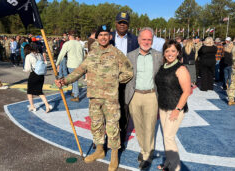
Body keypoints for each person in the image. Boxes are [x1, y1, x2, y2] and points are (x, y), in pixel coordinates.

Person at [55, 24, 133, 171]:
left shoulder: (116, 53)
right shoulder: (91, 54)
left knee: (112, 126)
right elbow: (79, 70)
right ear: (97, 37)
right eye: (100, 35)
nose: (103, 37)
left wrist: (115, 79)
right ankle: (99, 150)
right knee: (96, 124)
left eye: (106, 35)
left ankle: (114, 155)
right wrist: (65, 80)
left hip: (110, 98)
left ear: (110, 37)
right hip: (94, 97)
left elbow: (129, 72)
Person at [125, 27, 163, 170]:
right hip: (135, 96)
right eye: (144, 39)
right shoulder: (130, 56)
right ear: (139, 40)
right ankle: (143, 149)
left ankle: (147, 154)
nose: (146, 42)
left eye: (149, 39)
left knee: (150, 126)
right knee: (139, 127)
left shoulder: (158, 56)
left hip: (152, 95)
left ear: (152, 40)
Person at [155, 40, 191, 171]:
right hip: (163, 107)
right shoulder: (162, 66)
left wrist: (177, 109)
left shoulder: (181, 68)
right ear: (164, 53)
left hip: (175, 108)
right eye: (167, 51)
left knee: (169, 137)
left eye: (173, 51)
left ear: (178, 52)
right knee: (166, 137)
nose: (170, 53)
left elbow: (187, 91)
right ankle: (168, 164)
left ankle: (175, 167)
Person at [110, 11, 139, 150]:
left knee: (124, 109)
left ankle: (121, 139)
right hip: (109, 80)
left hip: (127, 81)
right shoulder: (108, 38)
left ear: (128, 25)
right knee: (108, 110)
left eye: (125, 23)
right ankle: (106, 138)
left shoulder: (135, 40)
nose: (122, 25)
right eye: (120, 22)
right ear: (116, 23)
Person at [23, 44, 52, 113]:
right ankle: (47, 105)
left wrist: (24, 70)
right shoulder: (40, 55)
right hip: (41, 75)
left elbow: (27, 68)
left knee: (29, 91)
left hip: (34, 75)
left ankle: (32, 106)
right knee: (39, 91)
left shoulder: (29, 56)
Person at [56, 30, 84, 102]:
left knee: (74, 80)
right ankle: (74, 92)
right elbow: (83, 54)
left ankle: (76, 95)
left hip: (72, 64)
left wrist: (57, 63)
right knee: (74, 79)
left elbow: (61, 54)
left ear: (69, 36)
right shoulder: (79, 44)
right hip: (79, 64)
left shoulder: (67, 44)